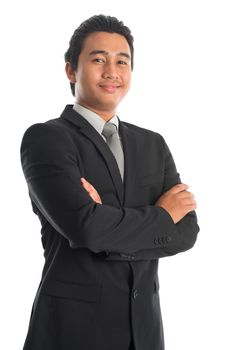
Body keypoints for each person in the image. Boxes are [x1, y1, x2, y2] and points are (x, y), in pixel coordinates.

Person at [20, 14, 199, 350]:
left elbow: (187, 232)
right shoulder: (47, 139)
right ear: (71, 70)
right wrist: (161, 216)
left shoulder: (153, 144)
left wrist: (107, 221)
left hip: (144, 333)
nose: (112, 72)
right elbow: (86, 228)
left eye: (122, 61)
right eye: (98, 59)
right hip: (72, 332)